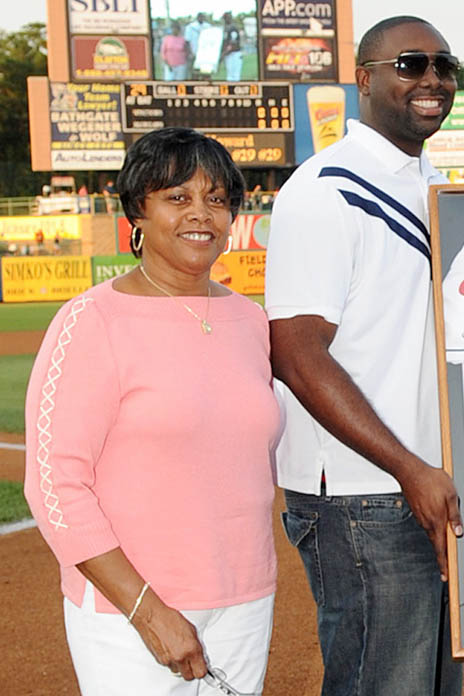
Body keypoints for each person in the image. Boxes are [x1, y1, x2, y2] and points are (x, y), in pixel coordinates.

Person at [24, 128, 281, 696]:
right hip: (131, 615)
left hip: (244, 603)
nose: (202, 214)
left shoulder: (250, 321)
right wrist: (147, 611)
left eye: (217, 199)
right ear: (138, 211)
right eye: (177, 197)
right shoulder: (92, 321)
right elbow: (54, 484)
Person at [264, 16, 463, 696]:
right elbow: (295, 353)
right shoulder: (325, 188)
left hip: (428, 483)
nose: (432, 78)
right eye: (411, 64)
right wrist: (409, 469)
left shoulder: (436, 186)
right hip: (363, 493)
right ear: (365, 80)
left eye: (444, 65)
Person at [184, 13, 209, 78]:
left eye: (202, 17)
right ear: (197, 18)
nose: (201, 18)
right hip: (194, 54)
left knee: (205, 74)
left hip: (205, 55)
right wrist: (190, 53)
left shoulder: (208, 26)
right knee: (194, 74)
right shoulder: (190, 27)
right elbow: (187, 41)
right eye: (200, 17)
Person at [220, 12, 243, 82]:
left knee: (234, 76)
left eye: (225, 19)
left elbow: (232, 44)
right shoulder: (226, 28)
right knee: (230, 76)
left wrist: (223, 54)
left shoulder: (233, 28)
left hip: (234, 54)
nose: (224, 20)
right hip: (229, 55)